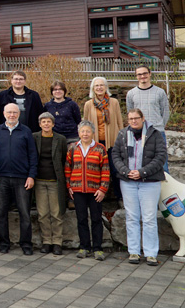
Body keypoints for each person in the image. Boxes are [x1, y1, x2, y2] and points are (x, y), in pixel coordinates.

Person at [113, 109, 167, 266]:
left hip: (149, 182)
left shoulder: (154, 134)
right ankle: (134, 251)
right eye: (130, 119)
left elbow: (161, 157)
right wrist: (126, 171)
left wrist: (142, 172)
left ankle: (150, 253)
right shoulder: (123, 134)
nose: (133, 121)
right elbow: (116, 155)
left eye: (136, 118)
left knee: (149, 218)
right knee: (131, 217)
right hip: (128, 181)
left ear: (143, 118)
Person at [0, 103, 37, 255]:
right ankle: (4, 243)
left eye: (14, 112)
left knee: (25, 213)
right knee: (0, 214)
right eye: (9, 112)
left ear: (19, 114)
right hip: (1, 178)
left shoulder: (26, 131)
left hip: (21, 179)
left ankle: (26, 244)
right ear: (4, 114)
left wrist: (31, 176)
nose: (12, 115)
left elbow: (33, 155)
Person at [65, 120, 109, 261]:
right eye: (82, 131)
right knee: (81, 219)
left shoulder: (100, 148)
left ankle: (98, 249)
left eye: (88, 131)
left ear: (93, 133)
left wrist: (103, 189)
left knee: (96, 219)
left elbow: (106, 170)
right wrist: (69, 186)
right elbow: (67, 168)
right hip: (77, 190)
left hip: (95, 191)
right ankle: (84, 247)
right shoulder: (72, 148)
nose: (85, 134)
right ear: (79, 133)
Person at [84, 77, 123, 206]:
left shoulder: (114, 102)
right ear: (93, 89)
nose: (99, 88)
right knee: (95, 171)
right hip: (96, 143)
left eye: (102, 85)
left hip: (112, 143)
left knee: (115, 170)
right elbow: (86, 124)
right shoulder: (89, 104)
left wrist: (121, 139)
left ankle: (120, 197)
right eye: (96, 86)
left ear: (106, 87)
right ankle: (94, 199)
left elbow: (119, 122)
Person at [33, 112, 67, 256]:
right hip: (39, 181)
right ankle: (46, 241)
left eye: (49, 122)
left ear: (53, 124)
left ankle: (57, 242)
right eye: (43, 122)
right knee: (42, 214)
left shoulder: (60, 139)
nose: (46, 124)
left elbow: (64, 158)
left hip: (55, 181)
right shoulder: (34, 137)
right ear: (40, 124)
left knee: (56, 213)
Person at [126, 65, 170, 173]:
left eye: (145, 73)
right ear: (136, 76)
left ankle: (165, 188)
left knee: (162, 163)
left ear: (150, 74)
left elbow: (165, 112)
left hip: (157, 131)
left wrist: (159, 125)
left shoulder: (160, 92)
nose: (142, 76)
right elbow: (130, 113)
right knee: (140, 162)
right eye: (139, 74)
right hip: (138, 133)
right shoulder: (131, 94)